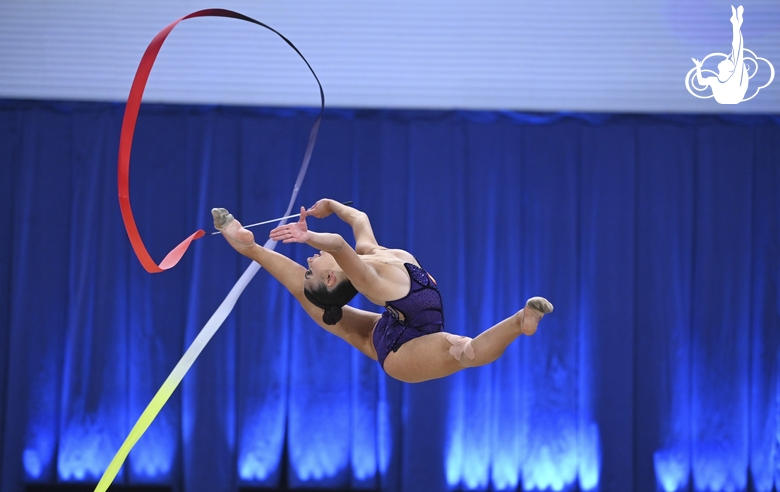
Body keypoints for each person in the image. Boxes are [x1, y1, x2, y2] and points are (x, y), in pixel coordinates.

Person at [211, 199, 552, 383]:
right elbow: (338, 244)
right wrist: (309, 236)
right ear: (332, 279)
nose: (310, 259)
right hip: (402, 354)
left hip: (393, 327)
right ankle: (521, 319)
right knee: (465, 351)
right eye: (313, 266)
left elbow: (359, 220)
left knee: (307, 295)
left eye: (310, 258)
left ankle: (247, 244)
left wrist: (331, 205)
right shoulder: (368, 279)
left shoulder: (370, 255)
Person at [692, 5, 749, 104]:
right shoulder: (715, 80)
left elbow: (738, 49)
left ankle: (736, 23)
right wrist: (698, 67)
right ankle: (736, 23)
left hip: (733, 97)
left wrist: (736, 26)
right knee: (737, 51)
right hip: (726, 99)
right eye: (728, 60)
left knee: (737, 51)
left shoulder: (734, 77)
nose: (725, 59)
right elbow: (701, 82)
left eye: (728, 61)